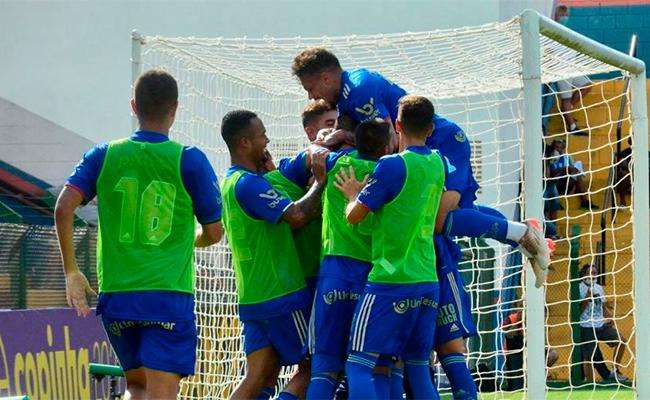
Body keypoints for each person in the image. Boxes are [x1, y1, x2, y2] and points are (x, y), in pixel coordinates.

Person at [292, 47, 553, 399]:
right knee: (418, 362)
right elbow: (372, 134)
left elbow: (385, 140)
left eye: (311, 88)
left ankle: (521, 233)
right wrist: (337, 135)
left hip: (442, 145)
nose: (312, 96)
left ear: (325, 77)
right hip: (419, 276)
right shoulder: (351, 95)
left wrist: (347, 164)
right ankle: (521, 232)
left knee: (438, 220)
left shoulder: (363, 91)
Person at [55, 69, 223, 399]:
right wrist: (189, 241)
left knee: (136, 388)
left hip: (118, 294)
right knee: (161, 391)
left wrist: (71, 272)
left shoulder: (104, 155)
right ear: (174, 109)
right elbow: (215, 232)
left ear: (134, 106)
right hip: (167, 296)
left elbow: (63, 208)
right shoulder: (189, 160)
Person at [334, 95, 445, 400]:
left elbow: (355, 215)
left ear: (397, 126)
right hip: (427, 280)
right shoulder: (437, 163)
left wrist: (353, 194)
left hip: (390, 281)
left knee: (358, 365)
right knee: (419, 369)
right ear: (431, 128)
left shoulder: (392, 166)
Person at [220, 109, 327, 400]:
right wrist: (320, 181)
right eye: (261, 136)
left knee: (259, 377)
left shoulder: (230, 182)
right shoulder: (249, 184)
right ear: (244, 143)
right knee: (316, 366)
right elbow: (297, 216)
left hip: (253, 297)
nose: (267, 140)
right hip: (281, 295)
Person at [306, 119, 392, 399]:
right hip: (374, 276)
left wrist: (331, 138)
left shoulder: (336, 163)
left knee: (324, 369)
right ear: (385, 144)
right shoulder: (388, 173)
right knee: (374, 365)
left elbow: (313, 152)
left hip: (335, 271)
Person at [578, 264, 630, 382]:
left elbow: (602, 306)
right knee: (589, 357)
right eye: (590, 272)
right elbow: (578, 311)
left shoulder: (599, 287)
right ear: (584, 274)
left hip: (600, 324)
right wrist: (587, 298)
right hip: (586, 326)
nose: (593, 275)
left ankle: (615, 369)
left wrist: (610, 317)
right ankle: (590, 382)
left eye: (595, 273)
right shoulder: (578, 288)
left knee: (621, 341)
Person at [547, 139, 597, 210]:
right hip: (556, 185)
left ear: (563, 148)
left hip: (567, 184)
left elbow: (573, 167)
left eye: (560, 148)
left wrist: (573, 169)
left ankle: (584, 201)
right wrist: (564, 169)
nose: (558, 150)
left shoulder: (567, 157)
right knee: (572, 172)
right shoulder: (549, 158)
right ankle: (584, 201)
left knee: (577, 172)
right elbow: (550, 173)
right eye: (556, 147)